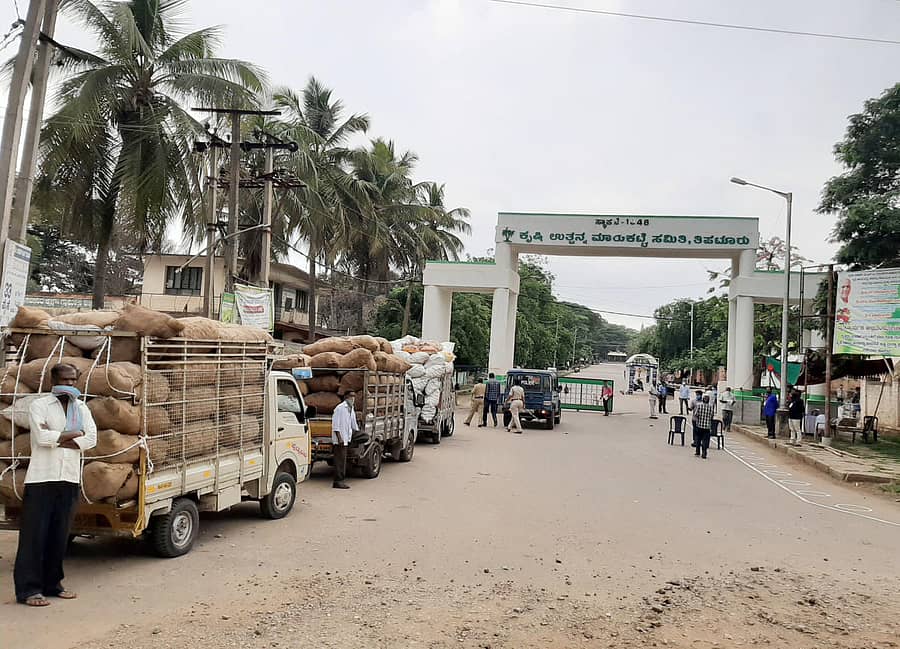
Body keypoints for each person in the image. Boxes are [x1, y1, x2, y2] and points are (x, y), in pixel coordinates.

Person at [14, 363, 97, 607]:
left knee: (59, 535)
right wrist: (73, 434)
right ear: (53, 381)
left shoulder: (81, 407)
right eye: (64, 380)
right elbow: (42, 438)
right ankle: (29, 590)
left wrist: (59, 437)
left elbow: (91, 438)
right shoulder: (40, 405)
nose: (69, 384)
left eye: (73, 380)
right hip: (42, 478)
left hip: (68, 478)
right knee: (34, 536)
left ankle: (53, 585)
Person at [331, 391, 358, 489]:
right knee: (340, 461)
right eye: (351, 396)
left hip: (347, 438)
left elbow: (353, 424)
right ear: (346, 397)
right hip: (340, 439)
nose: (353, 398)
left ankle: (340, 480)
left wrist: (357, 433)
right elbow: (335, 425)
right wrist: (340, 439)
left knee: (343, 460)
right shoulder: (340, 408)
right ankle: (338, 481)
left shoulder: (351, 409)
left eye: (354, 396)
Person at [693, 395, 715, 459]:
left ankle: (697, 452)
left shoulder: (699, 405)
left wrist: (697, 420)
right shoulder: (711, 407)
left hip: (699, 425)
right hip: (707, 427)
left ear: (702, 399)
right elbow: (712, 416)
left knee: (698, 439)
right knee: (705, 440)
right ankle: (704, 453)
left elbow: (696, 414)